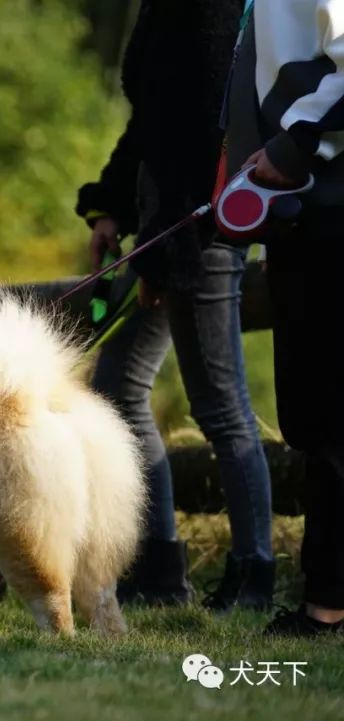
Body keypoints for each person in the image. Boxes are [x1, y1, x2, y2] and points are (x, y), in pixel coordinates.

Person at [75, 0, 275, 610]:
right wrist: (111, 203)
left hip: (200, 232)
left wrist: (165, 257)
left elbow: (202, 132)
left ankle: (252, 576)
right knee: (117, 388)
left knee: (220, 406)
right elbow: (151, 123)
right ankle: (159, 569)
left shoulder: (209, 9)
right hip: (164, 231)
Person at [219, 0, 344, 636]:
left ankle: (326, 604)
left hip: (330, 206)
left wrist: (295, 145)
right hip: (309, 210)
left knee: (330, 414)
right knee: (317, 418)